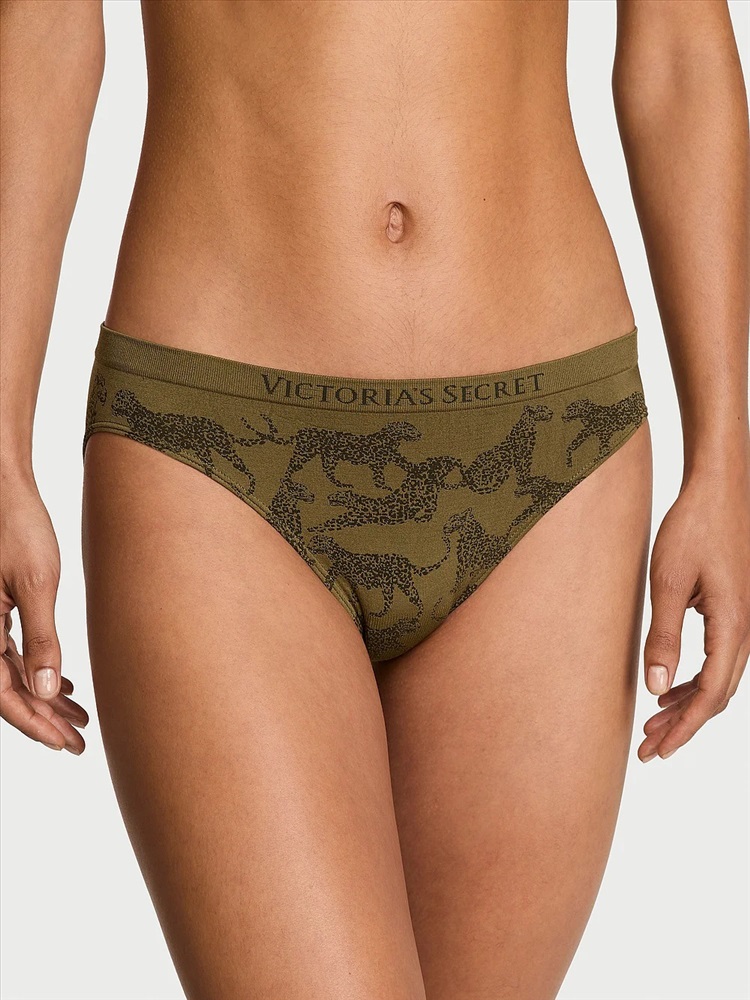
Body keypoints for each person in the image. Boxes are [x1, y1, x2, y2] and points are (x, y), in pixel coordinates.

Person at [1, 1, 748, 997]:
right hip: (215, 441)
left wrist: (725, 461)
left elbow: (680, 49)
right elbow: (45, 26)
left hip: (551, 455)